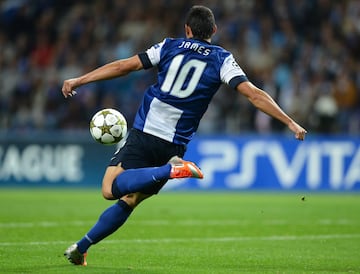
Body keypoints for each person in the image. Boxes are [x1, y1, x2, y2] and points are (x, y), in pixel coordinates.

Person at [62, 5, 307, 266]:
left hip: (146, 131)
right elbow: (254, 94)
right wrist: (290, 122)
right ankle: (82, 248)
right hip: (175, 146)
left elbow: (125, 66)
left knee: (110, 189)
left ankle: (170, 171)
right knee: (131, 199)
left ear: (187, 30)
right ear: (214, 30)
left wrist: (80, 80)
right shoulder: (222, 59)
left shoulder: (169, 45)